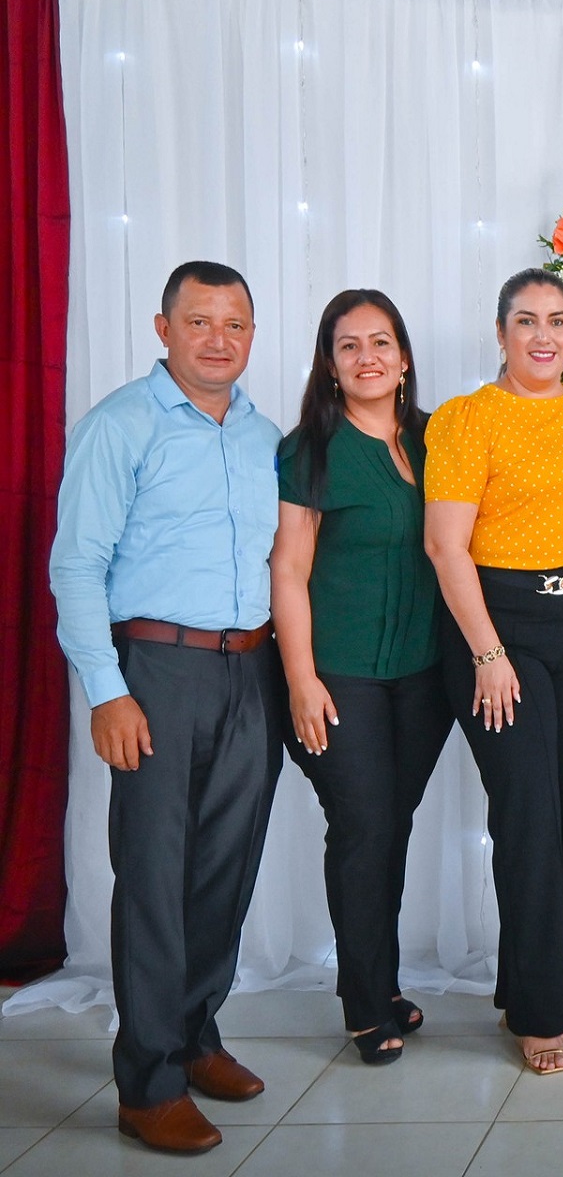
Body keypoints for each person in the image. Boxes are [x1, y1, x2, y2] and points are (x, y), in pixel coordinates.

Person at [50, 261, 283, 1154]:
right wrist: (107, 690)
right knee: (153, 877)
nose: (218, 340)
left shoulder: (265, 437)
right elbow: (76, 566)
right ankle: (147, 1083)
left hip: (250, 670)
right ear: (163, 329)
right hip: (155, 670)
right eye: (199, 322)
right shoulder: (119, 425)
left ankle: (192, 1037)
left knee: (225, 870)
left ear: (251, 335)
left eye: (235, 324)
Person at [423, 268, 563, 1075]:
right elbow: (444, 546)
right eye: (526, 320)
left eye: (557, 320)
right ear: (500, 333)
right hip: (495, 626)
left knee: (557, 814)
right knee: (528, 814)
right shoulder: (467, 418)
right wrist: (489, 653)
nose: (544, 335)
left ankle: (524, 982)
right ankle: (541, 1011)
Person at [270, 289, 452, 1066]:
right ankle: (363, 1004)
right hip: (339, 675)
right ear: (331, 364)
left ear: (404, 358)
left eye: (381, 342)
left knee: (391, 826)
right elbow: (288, 569)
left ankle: (379, 981)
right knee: (363, 828)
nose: (367, 357)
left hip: (424, 676)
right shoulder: (309, 449)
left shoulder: (439, 438)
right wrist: (300, 679)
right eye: (349, 346)